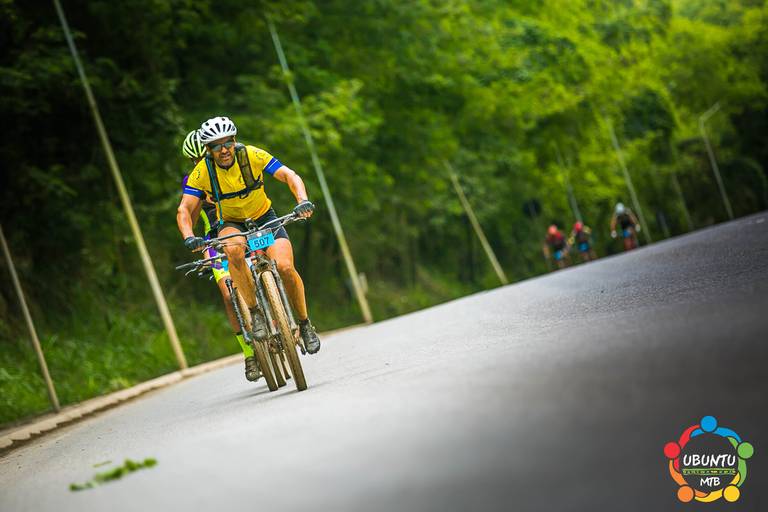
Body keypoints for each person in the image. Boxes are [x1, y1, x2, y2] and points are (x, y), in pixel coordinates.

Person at [176, 116, 321, 355]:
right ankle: (255, 312)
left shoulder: (252, 155)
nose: (224, 149)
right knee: (233, 251)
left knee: (285, 267)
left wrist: (302, 200)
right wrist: (189, 236)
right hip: (231, 223)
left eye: (228, 142)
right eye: (216, 146)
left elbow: (289, 175)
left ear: (235, 140)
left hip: (264, 216)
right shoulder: (201, 172)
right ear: (208, 150)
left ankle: (305, 324)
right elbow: (185, 209)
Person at [180, 130, 261, 381]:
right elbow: (190, 216)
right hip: (214, 240)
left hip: (245, 229)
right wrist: (196, 242)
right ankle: (249, 354)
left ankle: (280, 318)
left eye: (201, 157)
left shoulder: (235, 166)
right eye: (194, 160)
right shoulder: (194, 180)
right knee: (228, 294)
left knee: (264, 268)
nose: (199, 163)